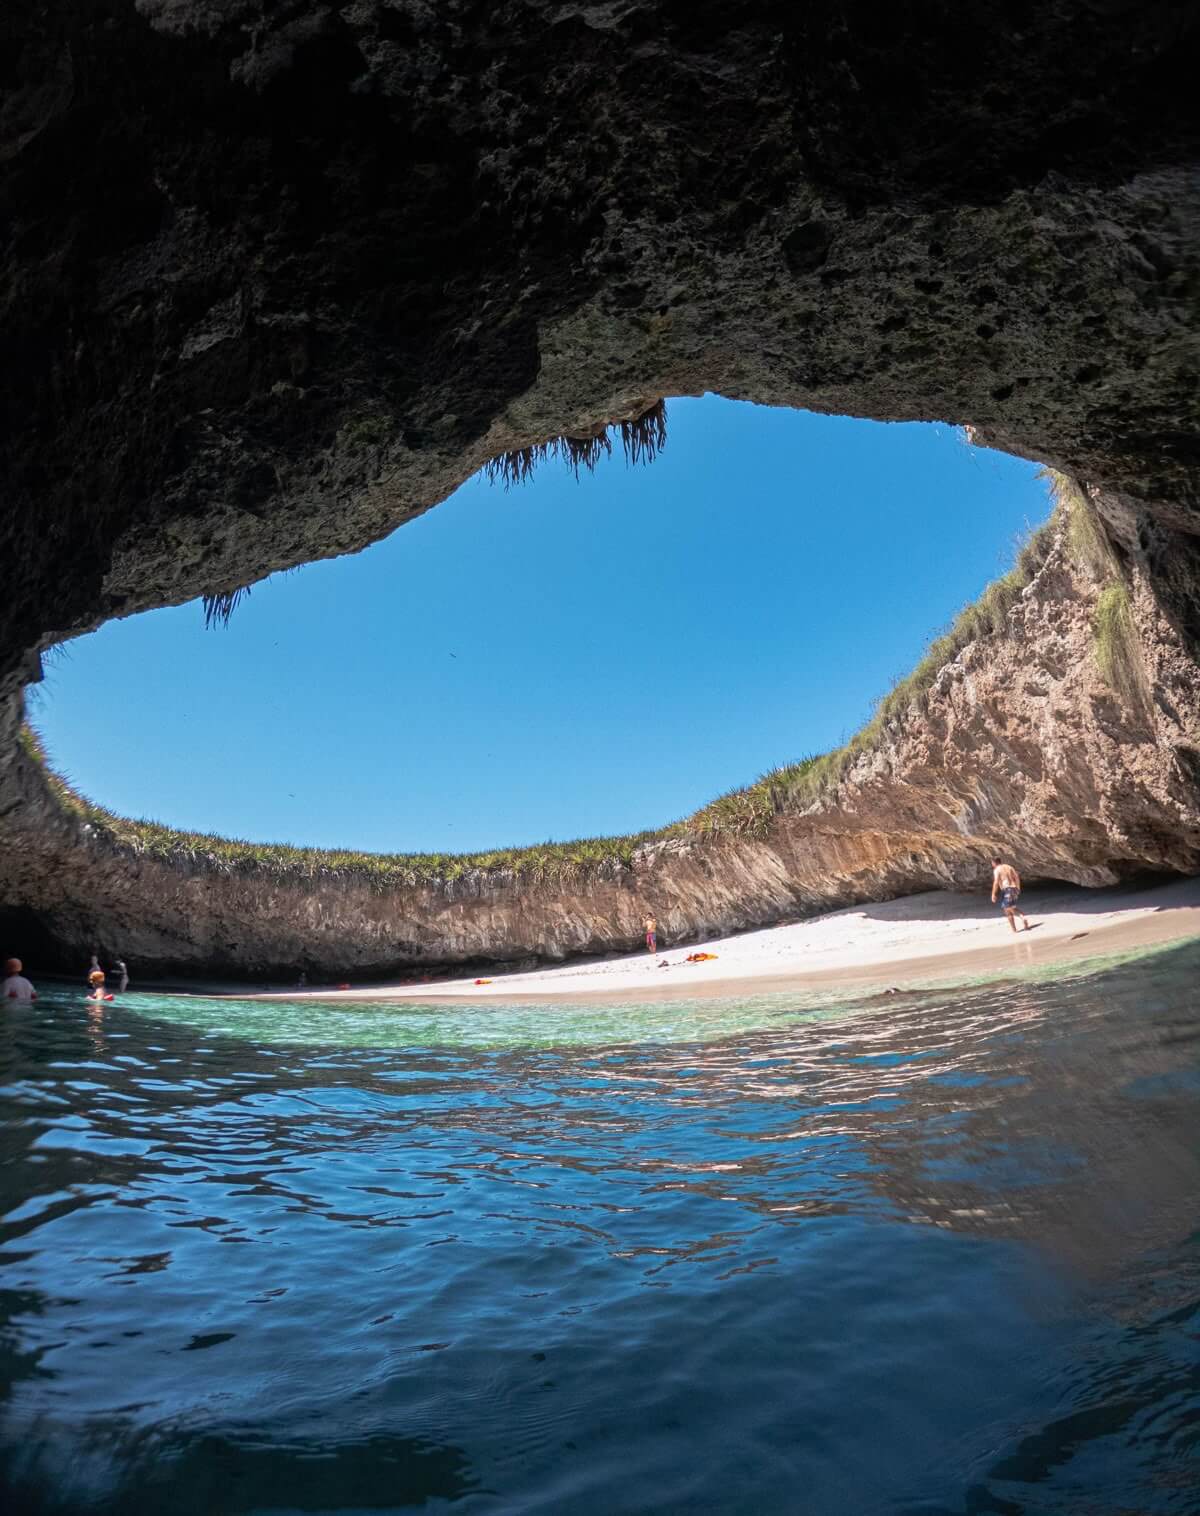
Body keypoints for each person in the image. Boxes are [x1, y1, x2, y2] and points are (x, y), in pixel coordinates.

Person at [991, 856, 1031, 933]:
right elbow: (1017, 877)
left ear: (994, 863)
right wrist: (1018, 888)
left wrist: (993, 894)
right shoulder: (1009, 867)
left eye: (992, 863)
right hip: (1015, 888)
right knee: (1010, 907)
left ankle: (1017, 926)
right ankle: (1021, 920)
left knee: (1007, 910)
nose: (992, 865)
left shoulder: (997, 870)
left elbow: (996, 882)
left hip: (1007, 889)